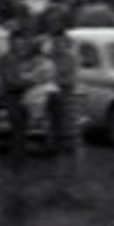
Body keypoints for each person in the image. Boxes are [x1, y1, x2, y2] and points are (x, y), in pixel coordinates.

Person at [0, 30, 35, 165]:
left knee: (23, 129)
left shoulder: (22, 59)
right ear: (10, 42)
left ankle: (21, 159)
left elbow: (29, 73)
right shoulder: (5, 59)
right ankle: (16, 161)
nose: (19, 45)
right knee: (17, 128)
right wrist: (29, 83)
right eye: (16, 42)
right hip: (11, 97)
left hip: (24, 97)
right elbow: (9, 81)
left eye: (21, 43)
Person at [46, 30, 80, 159]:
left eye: (61, 42)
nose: (58, 45)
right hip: (50, 94)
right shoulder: (49, 57)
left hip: (65, 93)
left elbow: (71, 78)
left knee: (68, 123)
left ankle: (69, 148)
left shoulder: (71, 58)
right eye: (56, 42)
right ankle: (53, 146)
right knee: (52, 121)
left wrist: (57, 80)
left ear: (65, 43)